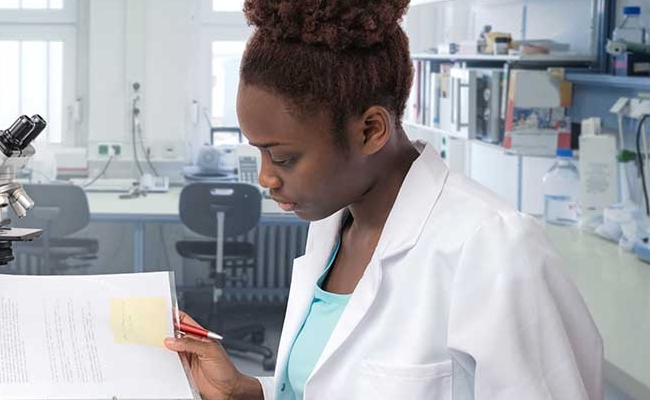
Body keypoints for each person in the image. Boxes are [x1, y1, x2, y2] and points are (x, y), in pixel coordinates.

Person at [163, 0, 604, 399]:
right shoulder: (331, 228)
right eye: (258, 151)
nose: (265, 178)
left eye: (284, 157)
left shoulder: (492, 247)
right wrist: (248, 393)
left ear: (371, 130)